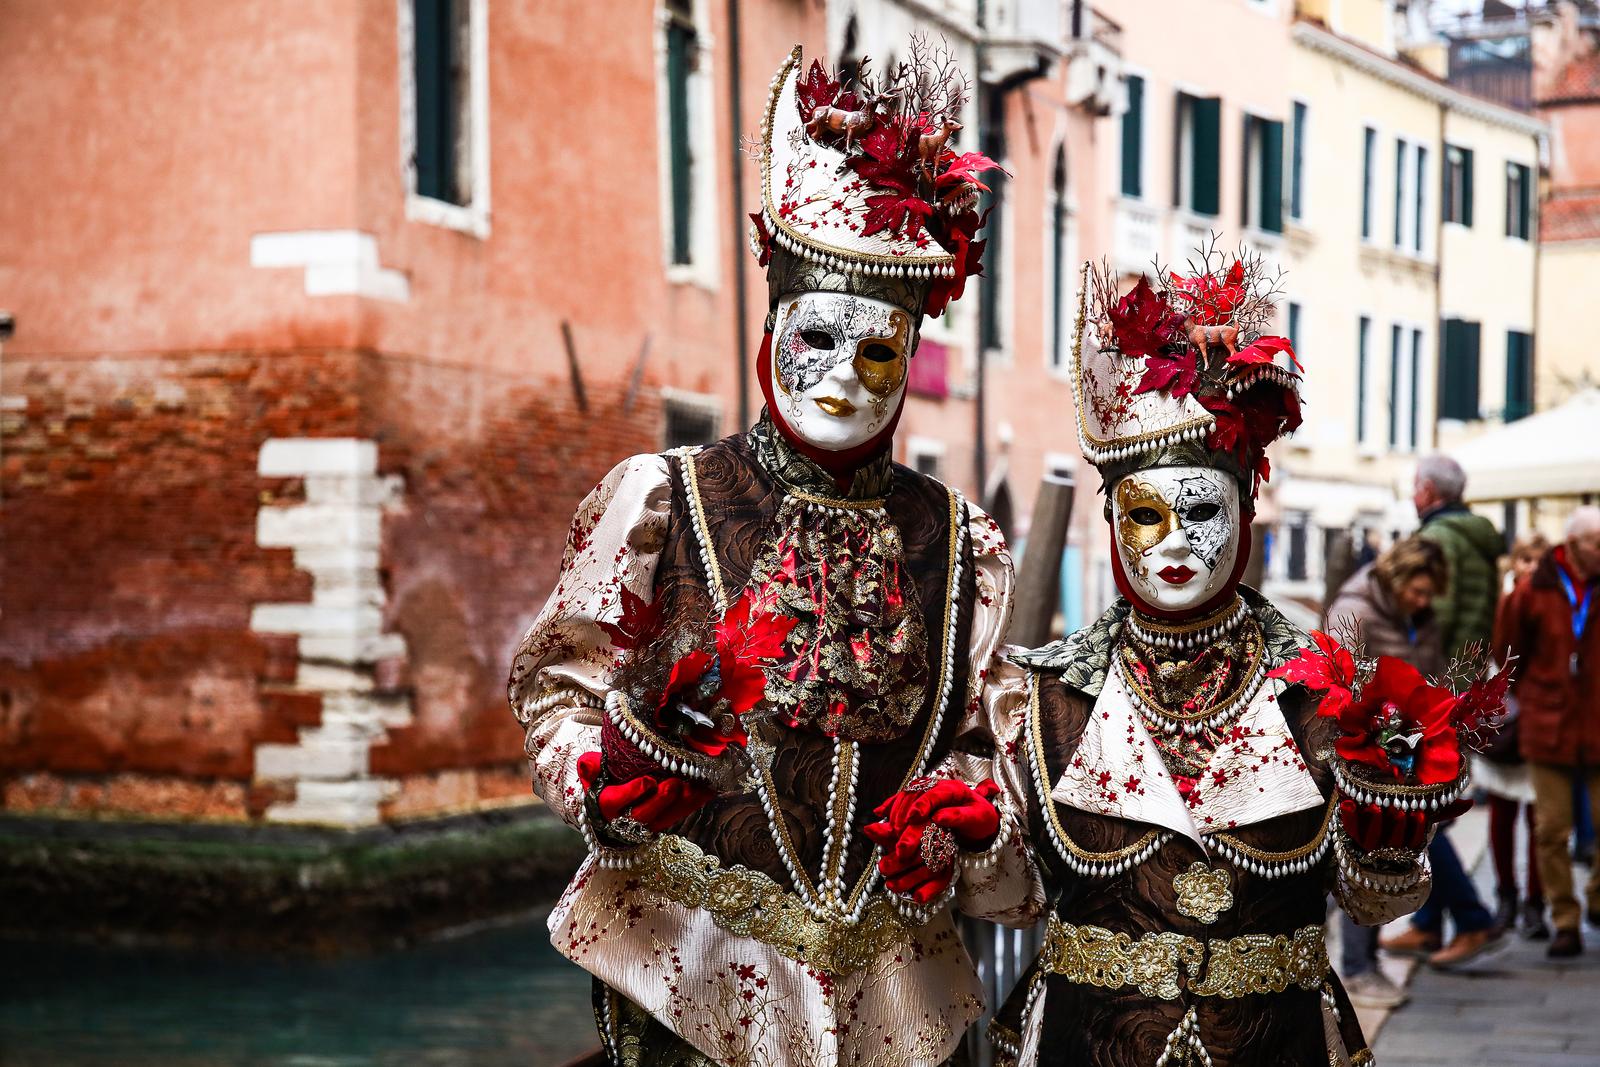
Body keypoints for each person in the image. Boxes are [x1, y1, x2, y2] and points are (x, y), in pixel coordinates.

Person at [508, 43, 1041, 1066]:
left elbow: (978, 742)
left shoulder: (962, 540)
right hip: (686, 972)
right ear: (772, 327)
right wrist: (604, 776)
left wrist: (963, 816)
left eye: (876, 349)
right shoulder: (661, 498)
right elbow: (560, 687)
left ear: (910, 353)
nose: (842, 378)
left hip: (894, 987)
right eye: (817, 339)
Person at [943, 251, 1461, 1067]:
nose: (1176, 542)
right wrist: (965, 835)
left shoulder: (1322, 691)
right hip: (1089, 1042)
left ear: (1246, 512)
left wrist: (1390, 837)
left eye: (1201, 511)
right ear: (1112, 521)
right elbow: (1009, 895)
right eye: (1146, 514)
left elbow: (1371, 902)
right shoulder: (1034, 696)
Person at [1377, 456, 1508, 969]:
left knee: (1421, 813)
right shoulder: (1478, 541)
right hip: (1466, 686)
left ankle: (1472, 918)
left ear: (1429, 490)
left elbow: (1432, 626)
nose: (1412, 494)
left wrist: (1423, 690)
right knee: (1429, 807)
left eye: (1415, 486)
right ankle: (1429, 925)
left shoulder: (1442, 542)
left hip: (1439, 692)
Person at [1324, 536, 1451, 1005]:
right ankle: (1355, 969)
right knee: (1360, 854)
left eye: (1428, 594)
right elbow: (1338, 683)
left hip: (1404, 753)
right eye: (1416, 591)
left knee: (1383, 856)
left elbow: (1432, 678)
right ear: (1396, 579)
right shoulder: (1354, 609)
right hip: (1360, 754)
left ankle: (1358, 964)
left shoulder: (1418, 615)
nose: (1422, 601)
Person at [1495, 506, 1600, 958]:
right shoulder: (1532, 591)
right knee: (1552, 829)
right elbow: (1507, 654)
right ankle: (1565, 919)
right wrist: (1534, 697)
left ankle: (1597, 899)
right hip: (1549, 725)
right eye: (1596, 543)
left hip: (1597, 721)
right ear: (1575, 545)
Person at [1475, 532, 1550, 939]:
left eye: (1539, 562)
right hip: (1505, 721)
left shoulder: (1554, 605)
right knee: (1502, 814)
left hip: (1540, 723)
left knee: (1542, 817)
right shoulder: (1502, 601)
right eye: (1525, 559)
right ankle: (1506, 896)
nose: (1531, 568)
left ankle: (1537, 902)